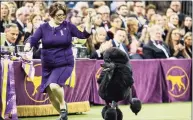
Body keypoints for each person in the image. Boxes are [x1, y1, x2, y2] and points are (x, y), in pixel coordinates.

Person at [24, 3, 92, 120]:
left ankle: (63, 106)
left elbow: (83, 35)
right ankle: (62, 116)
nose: (61, 17)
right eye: (58, 15)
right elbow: (34, 38)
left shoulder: (68, 26)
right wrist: (28, 45)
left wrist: (89, 21)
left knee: (54, 86)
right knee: (50, 95)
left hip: (64, 63)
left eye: (63, 15)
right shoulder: (43, 27)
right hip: (48, 64)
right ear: (51, 15)